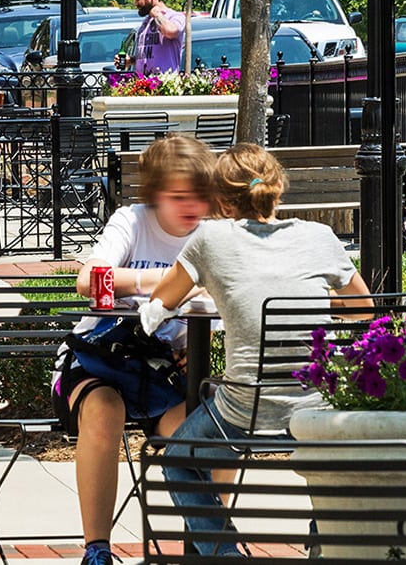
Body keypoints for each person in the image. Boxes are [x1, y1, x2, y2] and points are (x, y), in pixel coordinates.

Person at [141, 142, 371, 557]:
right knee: (332, 468)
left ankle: (223, 553)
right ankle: (322, 547)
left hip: (244, 406)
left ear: (222, 201)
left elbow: (164, 298)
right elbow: (362, 310)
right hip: (316, 403)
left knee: (176, 458)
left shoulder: (210, 238)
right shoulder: (320, 237)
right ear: (277, 187)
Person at [61, 135, 217, 565]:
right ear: (155, 196)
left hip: (161, 370)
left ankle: (215, 546)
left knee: (206, 430)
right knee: (104, 409)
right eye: (178, 196)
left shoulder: (212, 236)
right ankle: (97, 550)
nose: (191, 206)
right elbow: (88, 281)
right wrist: (166, 282)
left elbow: (221, 304)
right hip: (98, 358)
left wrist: (189, 344)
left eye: (200, 196)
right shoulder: (131, 220)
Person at [131, 0, 185, 75]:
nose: (136, 4)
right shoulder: (145, 23)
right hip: (143, 85)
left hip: (164, 85)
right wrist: (131, 60)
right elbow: (149, 56)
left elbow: (171, 31)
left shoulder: (174, 17)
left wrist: (157, 15)